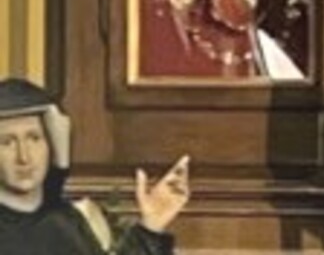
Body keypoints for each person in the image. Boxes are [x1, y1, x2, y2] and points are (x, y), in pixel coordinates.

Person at [0, 78, 189, 254]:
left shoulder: (70, 221)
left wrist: (151, 227)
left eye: (34, 138)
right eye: (7, 142)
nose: (23, 157)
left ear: (52, 143)